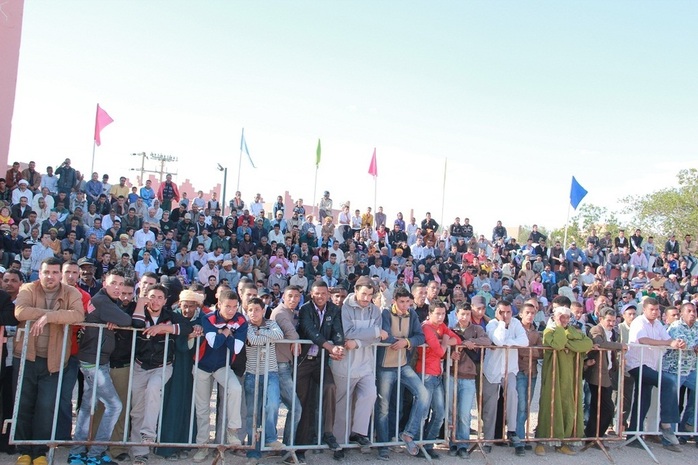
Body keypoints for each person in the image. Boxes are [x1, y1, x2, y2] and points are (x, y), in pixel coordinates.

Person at [13, 257, 85, 465]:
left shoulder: (71, 292)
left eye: (54, 272)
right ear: (40, 273)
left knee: (46, 407)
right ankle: (24, 451)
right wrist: (52, 314)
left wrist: (48, 318)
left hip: (54, 360)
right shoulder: (28, 288)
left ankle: (40, 452)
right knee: (24, 404)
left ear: (60, 274)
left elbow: (78, 315)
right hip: (26, 356)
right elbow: (20, 311)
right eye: (46, 272)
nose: (50, 276)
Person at [68, 271, 131, 465]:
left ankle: (77, 452)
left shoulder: (108, 302)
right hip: (93, 362)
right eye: (113, 283)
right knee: (114, 406)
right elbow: (127, 321)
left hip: (98, 360)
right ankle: (95, 453)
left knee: (88, 406)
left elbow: (121, 319)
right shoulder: (102, 301)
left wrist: (115, 317)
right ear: (104, 283)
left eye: (121, 284)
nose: (118, 287)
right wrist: (117, 318)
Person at [129, 284, 193, 465]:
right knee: (137, 410)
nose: (155, 301)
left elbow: (187, 326)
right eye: (152, 297)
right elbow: (136, 324)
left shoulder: (170, 316)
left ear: (165, 301)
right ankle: (140, 452)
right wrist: (140, 304)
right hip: (140, 366)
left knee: (153, 388)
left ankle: (148, 434)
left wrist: (165, 329)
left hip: (162, 366)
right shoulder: (140, 312)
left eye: (159, 298)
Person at [331, 276, 387, 459]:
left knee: (370, 394)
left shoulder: (375, 310)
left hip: (366, 364)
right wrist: (375, 332)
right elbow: (348, 333)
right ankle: (340, 444)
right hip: (345, 365)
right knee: (342, 406)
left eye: (370, 295)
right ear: (356, 291)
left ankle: (358, 432)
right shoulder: (344, 308)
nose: (366, 298)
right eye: (363, 294)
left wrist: (357, 342)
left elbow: (375, 339)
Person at [191, 289, 245, 462]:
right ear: (219, 304)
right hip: (202, 366)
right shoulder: (208, 318)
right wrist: (228, 332)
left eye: (235, 306)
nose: (231, 310)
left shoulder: (241, 320)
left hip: (222, 366)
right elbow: (214, 343)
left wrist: (223, 333)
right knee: (202, 408)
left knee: (235, 388)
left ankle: (232, 431)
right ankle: (203, 446)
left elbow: (237, 348)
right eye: (228, 306)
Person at [294, 281, 345, 464]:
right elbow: (310, 331)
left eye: (323, 293)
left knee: (330, 387)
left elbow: (338, 331)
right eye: (317, 293)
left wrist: (339, 346)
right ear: (311, 293)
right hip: (303, 362)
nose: (320, 296)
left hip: (320, 361)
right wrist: (330, 347)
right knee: (305, 403)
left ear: (328, 294)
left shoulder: (333, 309)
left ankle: (327, 432)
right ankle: (300, 447)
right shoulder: (305, 309)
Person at [626, 297, 685, 452]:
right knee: (668, 382)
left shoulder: (658, 324)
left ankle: (633, 435)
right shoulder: (639, 321)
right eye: (652, 309)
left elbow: (668, 339)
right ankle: (666, 423)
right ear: (644, 310)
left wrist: (676, 343)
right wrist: (668, 343)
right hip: (637, 364)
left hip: (650, 365)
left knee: (643, 399)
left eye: (657, 309)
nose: (655, 312)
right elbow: (643, 339)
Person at [375, 286, 428, 460]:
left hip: (403, 365)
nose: (405, 305)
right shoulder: (385, 313)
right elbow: (385, 336)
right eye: (402, 302)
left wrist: (406, 342)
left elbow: (420, 337)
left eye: (408, 302)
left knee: (423, 395)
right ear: (394, 301)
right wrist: (399, 341)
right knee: (384, 408)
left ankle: (407, 433)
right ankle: (383, 445)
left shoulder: (412, 314)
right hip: (385, 367)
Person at [154, 289, 205, 460]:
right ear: (179, 304)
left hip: (190, 368)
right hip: (173, 366)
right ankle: (167, 447)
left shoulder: (201, 320)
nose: (187, 310)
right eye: (185, 306)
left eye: (191, 306)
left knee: (188, 403)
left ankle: (185, 444)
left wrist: (194, 334)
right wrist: (188, 335)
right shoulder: (171, 317)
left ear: (197, 306)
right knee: (171, 403)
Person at [536, 306, 593, 456]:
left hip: (571, 375)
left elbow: (587, 344)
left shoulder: (574, 331)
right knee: (550, 405)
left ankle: (563, 442)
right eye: (561, 317)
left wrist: (568, 344)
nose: (564, 320)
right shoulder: (549, 331)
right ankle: (541, 441)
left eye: (567, 317)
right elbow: (558, 344)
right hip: (554, 374)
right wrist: (562, 333)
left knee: (568, 406)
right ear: (555, 317)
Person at [482, 300, 529, 455]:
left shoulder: (516, 323)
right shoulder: (492, 324)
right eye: (502, 312)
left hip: (510, 369)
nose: (506, 315)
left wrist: (508, 343)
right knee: (490, 405)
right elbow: (498, 340)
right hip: (493, 370)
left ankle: (512, 431)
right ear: (497, 312)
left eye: (508, 312)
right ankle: (488, 439)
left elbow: (524, 341)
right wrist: (502, 324)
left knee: (513, 396)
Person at [415, 301, 458, 459]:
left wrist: (444, 340)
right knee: (423, 413)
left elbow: (457, 339)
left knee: (440, 413)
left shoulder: (442, 327)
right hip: (425, 373)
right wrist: (445, 341)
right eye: (437, 314)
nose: (440, 317)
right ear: (430, 314)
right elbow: (440, 351)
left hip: (437, 374)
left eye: (443, 314)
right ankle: (418, 445)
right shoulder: (426, 327)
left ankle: (428, 444)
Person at [449, 302, 491, 457]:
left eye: (467, 314)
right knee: (452, 412)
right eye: (462, 314)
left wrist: (471, 343)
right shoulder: (451, 330)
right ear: (456, 314)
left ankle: (462, 444)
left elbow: (487, 341)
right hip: (452, 374)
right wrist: (455, 350)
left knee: (464, 413)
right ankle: (452, 442)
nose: (465, 317)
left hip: (468, 376)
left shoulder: (477, 329)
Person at [244, 297, 284, 459]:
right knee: (252, 413)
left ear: (263, 310)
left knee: (273, 404)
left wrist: (260, 332)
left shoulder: (271, 323)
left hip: (271, 372)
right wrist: (266, 336)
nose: (253, 313)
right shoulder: (246, 326)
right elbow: (252, 340)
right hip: (252, 373)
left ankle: (270, 438)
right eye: (250, 310)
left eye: (257, 310)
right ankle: (253, 451)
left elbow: (279, 335)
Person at [269, 286, 303, 447]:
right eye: (290, 296)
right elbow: (292, 333)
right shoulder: (280, 313)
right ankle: (286, 447)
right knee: (294, 407)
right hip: (279, 365)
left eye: (296, 296)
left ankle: (284, 445)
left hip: (284, 363)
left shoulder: (290, 312)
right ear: (283, 296)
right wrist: (297, 342)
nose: (293, 299)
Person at [584, 306, 625, 441]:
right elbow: (600, 344)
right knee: (604, 408)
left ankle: (595, 436)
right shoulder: (596, 330)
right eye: (609, 320)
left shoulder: (612, 332)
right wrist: (620, 346)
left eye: (613, 321)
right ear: (601, 319)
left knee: (602, 408)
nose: (611, 324)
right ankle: (593, 436)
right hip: (597, 375)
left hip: (608, 374)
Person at [662, 302, 698, 439]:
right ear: (681, 313)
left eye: (694, 311)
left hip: (690, 369)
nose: (692, 313)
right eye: (689, 311)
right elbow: (683, 343)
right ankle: (669, 437)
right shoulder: (676, 326)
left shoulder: (696, 326)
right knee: (672, 402)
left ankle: (687, 427)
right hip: (673, 370)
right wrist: (693, 346)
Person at [516, 302, 543, 443]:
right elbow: (517, 349)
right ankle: (519, 437)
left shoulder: (536, 333)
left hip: (532, 372)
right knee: (520, 406)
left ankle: (519, 433)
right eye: (527, 312)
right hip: (519, 371)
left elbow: (541, 352)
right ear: (521, 314)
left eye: (533, 313)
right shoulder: (515, 329)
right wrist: (531, 351)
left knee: (526, 406)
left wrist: (527, 352)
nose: (530, 315)